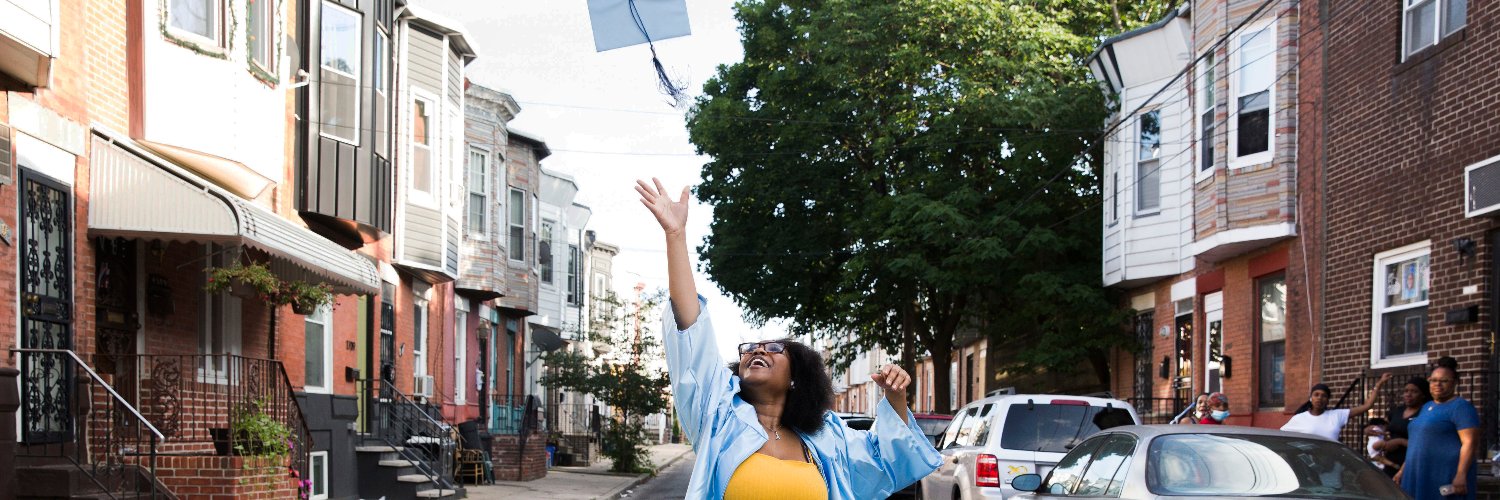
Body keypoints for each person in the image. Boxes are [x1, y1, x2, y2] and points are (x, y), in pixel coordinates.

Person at [637, 178, 941, 499]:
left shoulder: (824, 437)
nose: (757, 350)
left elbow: (885, 460)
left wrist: (895, 397)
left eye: (773, 348)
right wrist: (676, 235)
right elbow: (692, 335)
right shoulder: (719, 418)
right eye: (750, 348)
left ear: (796, 376)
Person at [1396, 357, 1480, 499]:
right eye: (1434, 380)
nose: (1437, 384)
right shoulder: (1426, 407)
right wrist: (1402, 471)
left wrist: (1461, 474)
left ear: (1454, 383)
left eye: (1444, 381)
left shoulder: (1461, 407)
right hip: (1416, 475)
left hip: (1443, 476)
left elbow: (1470, 443)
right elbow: (1417, 443)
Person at [1281, 372, 1392, 441]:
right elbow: (1282, 435)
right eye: (1316, 395)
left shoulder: (1337, 415)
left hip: (1332, 466)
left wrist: (1379, 384)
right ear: (1311, 398)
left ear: (1328, 400)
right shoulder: (1300, 418)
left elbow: (1367, 405)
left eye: (1324, 396)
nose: (1319, 398)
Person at [1376, 376, 1432, 476]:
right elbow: (1385, 427)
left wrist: (1400, 442)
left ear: (1423, 395)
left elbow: (1424, 443)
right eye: (1406, 391)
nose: (1408, 394)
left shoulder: (1425, 413)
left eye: (1414, 391)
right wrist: (1370, 429)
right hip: (1391, 463)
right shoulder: (1397, 411)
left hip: (1411, 462)